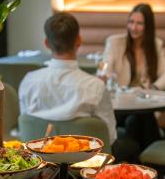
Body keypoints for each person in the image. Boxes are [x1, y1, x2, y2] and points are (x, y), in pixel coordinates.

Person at [19, 12, 136, 161]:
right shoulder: (96, 87)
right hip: (86, 166)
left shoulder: (28, 82)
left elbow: (28, 131)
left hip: (40, 166)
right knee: (133, 144)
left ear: (46, 43)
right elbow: (109, 138)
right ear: (79, 41)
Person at [103, 3, 165, 150]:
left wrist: (152, 89)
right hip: (119, 105)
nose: (133, 27)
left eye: (139, 23)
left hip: (140, 103)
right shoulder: (115, 42)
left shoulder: (155, 45)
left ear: (148, 26)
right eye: (131, 22)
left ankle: (136, 162)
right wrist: (109, 78)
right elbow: (106, 71)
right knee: (142, 117)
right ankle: (158, 167)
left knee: (137, 119)